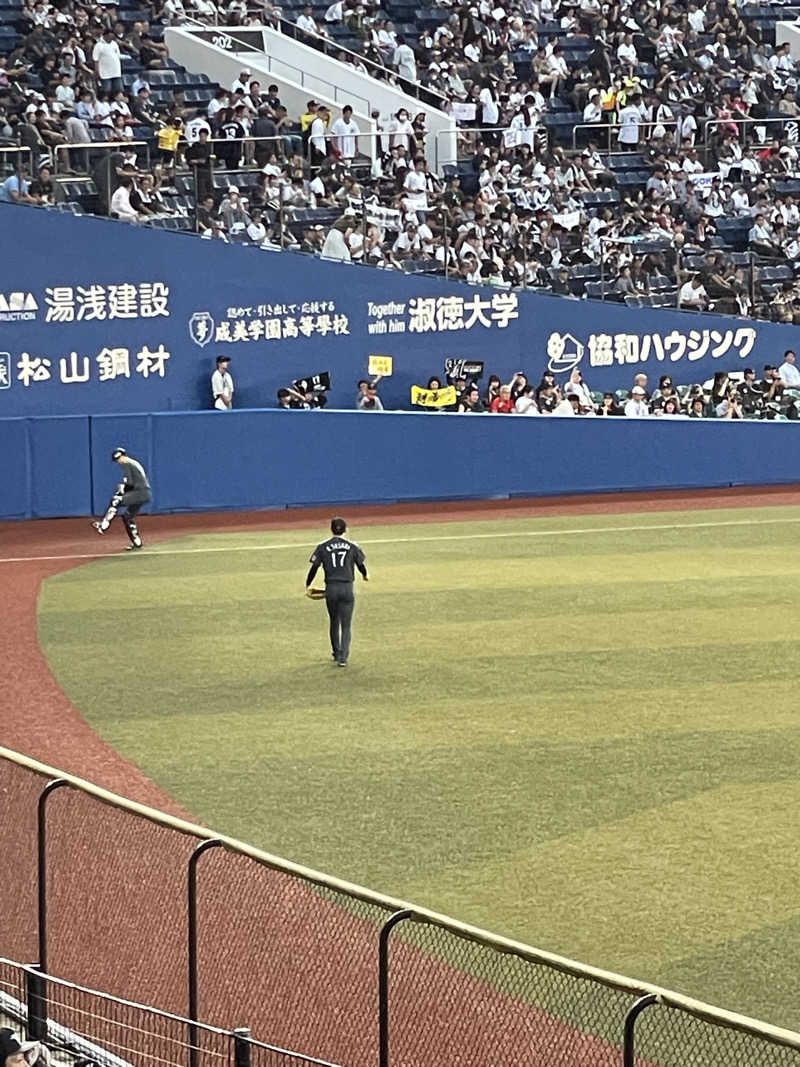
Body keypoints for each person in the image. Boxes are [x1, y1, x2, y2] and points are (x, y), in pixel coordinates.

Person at [305, 516, 368, 666]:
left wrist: (307, 584)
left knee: (334, 621)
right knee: (346, 625)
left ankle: (336, 652)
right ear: (346, 529)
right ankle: (343, 658)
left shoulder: (322, 546)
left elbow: (314, 567)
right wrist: (365, 575)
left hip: (331, 589)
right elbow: (360, 565)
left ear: (331, 529)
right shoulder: (353, 546)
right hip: (347, 588)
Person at [91, 447, 151, 550]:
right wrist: (124, 488)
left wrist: (122, 489)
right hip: (144, 493)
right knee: (127, 516)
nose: (118, 462)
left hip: (140, 492)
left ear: (123, 456)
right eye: (117, 460)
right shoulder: (132, 463)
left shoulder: (127, 464)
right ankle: (137, 542)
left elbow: (130, 484)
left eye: (119, 459)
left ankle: (104, 524)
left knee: (116, 500)